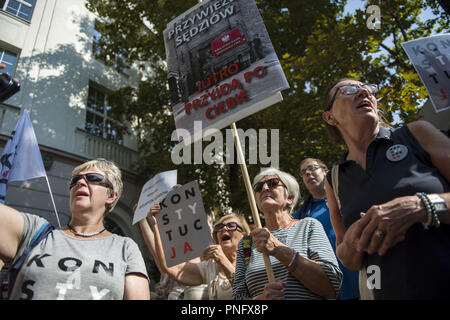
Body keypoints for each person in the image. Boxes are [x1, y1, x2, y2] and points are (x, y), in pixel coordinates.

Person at [321, 78, 450, 299]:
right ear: (329, 117)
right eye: (349, 89)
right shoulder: (334, 179)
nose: (364, 92)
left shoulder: (416, 134)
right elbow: (346, 257)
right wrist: (354, 242)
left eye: (369, 88)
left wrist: (422, 206)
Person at [0, 158, 150, 299]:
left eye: (93, 178)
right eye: (75, 180)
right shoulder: (34, 232)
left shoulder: (125, 248)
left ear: (111, 196)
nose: (81, 182)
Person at [232, 168, 342, 300]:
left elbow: (331, 285)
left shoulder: (308, 226)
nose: (265, 188)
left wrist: (278, 249)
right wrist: (261, 299)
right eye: (259, 187)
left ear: (289, 198)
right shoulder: (246, 243)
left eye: (273, 183)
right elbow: (238, 297)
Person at [140, 203, 250, 300]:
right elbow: (171, 267)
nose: (224, 229)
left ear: (244, 235)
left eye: (231, 226)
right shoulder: (211, 267)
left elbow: (247, 293)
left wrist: (224, 261)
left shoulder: (254, 260)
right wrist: (155, 225)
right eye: (219, 227)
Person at [294, 158, 359, 300]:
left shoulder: (351, 197)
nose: (308, 174)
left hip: (363, 274)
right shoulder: (300, 217)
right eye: (303, 172)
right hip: (335, 289)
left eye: (312, 168)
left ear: (326, 171)